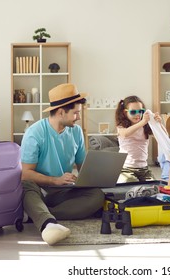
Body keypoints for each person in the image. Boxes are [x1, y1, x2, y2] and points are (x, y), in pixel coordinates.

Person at [20, 83, 105, 245]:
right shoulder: (35, 133)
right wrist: (55, 180)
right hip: (39, 189)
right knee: (26, 185)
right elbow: (26, 173)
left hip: (63, 191)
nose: (78, 117)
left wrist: (99, 175)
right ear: (61, 112)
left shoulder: (76, 131)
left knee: (97, 195)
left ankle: (40, 214)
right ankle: (47, 224)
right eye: (75, 113)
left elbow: (83, 167)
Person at [115, 95, 162, 183]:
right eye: (133, 112)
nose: (138, 114)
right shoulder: (121, 127)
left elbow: (163, 137)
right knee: (131, 184)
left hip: (143, 169)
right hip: (126, 168)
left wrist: (158, 124)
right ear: (125, 113)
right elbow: (125, 134)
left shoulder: (145, 126)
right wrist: (143, 122)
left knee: (152, 187)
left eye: (141, 111)